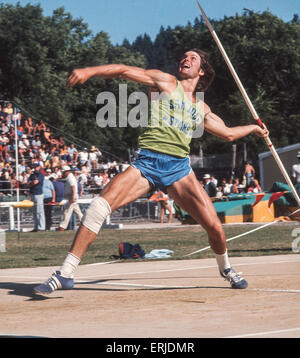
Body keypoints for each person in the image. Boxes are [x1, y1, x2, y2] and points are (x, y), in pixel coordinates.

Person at [34, 48, 269, 294]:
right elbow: (125, 71)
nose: (185, 59)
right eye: (184, 56)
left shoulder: (202, 109)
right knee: (97, 208)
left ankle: (226, 268)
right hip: (148, 162)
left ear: (201, 71)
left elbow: (229, 133)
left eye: (193, 58)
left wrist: (254, 128)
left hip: (178, 169)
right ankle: (66, 273)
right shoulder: (166, 82)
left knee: (215, 228)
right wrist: (89, 71)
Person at [58, 166, 83, 231]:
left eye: (63, 172)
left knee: (67, 211)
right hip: (72, 195)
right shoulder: (70, 177)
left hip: (72, 196)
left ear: (66, 172)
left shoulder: (70, 178)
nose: (62, 173)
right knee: (78, 212)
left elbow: (73, 187)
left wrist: (73, 197)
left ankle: (62, 227)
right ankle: (85, 224)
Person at [28, 162, 45, 232]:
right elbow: (28, 183)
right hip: (32, 193)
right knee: (34, 212)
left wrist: (31, 183)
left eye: (36, 167)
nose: (35, 168)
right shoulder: (32, 175)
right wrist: (32, 183)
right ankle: (36, 227)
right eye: (34, 167)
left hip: (38, 194)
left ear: (39, 167)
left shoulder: (40, 174)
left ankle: (41, 227)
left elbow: (35, 182)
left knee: (39, 211)